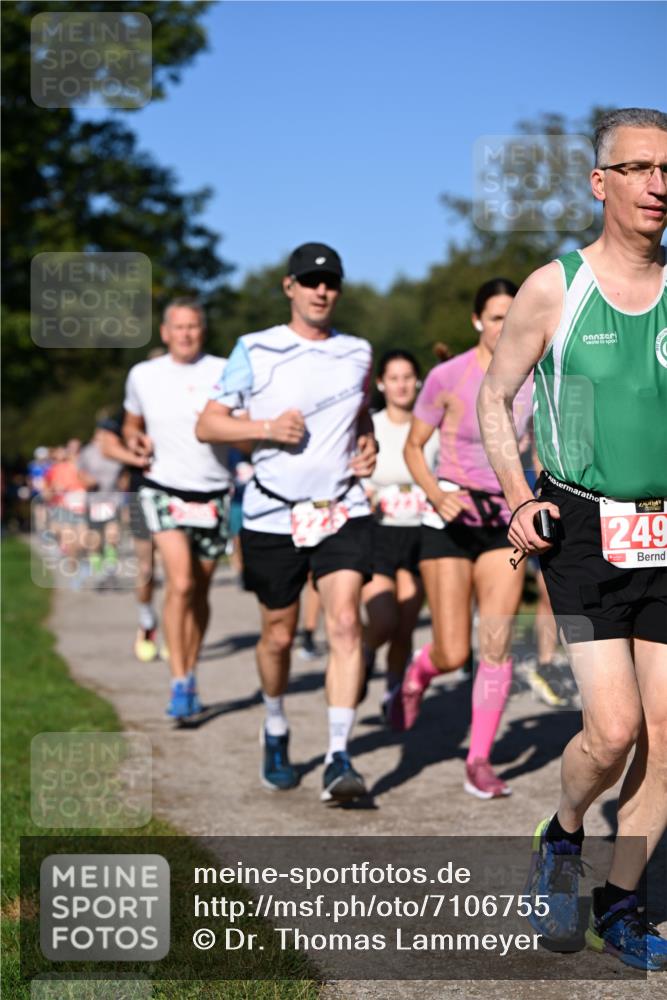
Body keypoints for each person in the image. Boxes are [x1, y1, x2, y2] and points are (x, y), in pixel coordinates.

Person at [477, 108, 667, 970]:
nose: (656, 185)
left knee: (666, 733)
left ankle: (620, 904)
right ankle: (561, 833)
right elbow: (494, 396)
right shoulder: (555, 286)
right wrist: (518, 498)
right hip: (583, 531)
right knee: (613, 730)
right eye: (637, 168)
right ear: (599, 183)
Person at [196, 242, 377, 802]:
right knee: (277, 634)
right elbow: (208, 425)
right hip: (272, 512)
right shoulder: (255, 348)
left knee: (344, 623)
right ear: (289, 287)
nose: (322, 291)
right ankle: (275, 725)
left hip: (342, 507)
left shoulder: (358, 352)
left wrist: (367, 442)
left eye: (331, 282)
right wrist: (266, 428)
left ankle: (338, 757)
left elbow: (359, 414)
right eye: (310, 281)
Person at [397, 278, 533, 802]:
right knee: (453, 651)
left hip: (504, 520)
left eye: (513, 316)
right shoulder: (447, 376)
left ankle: (479, 760)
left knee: (497, 641)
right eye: (496, 317)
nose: (505, 326)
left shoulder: (537, 377)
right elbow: (414, 447)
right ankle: (419, 672)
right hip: (450, 520)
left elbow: (541, 449)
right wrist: (436, 494)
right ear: (477, 321)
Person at [123, 299, 232, 719]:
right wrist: (134, 439)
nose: (186, 334)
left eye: (193, 326)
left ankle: (191, 669)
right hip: (163, 488)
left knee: (200, 591)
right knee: (181, 582)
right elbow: (131, 423)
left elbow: (240, 426)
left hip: (213, 492)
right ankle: (178, 681)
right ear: (165, 332)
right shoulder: (143, 374)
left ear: (202, 330)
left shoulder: (224, 370)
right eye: (178, 327)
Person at [361, 350, 438, 714]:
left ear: (418, 381)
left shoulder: (432, 428)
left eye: (408, 377)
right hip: (377, 534)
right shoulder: (369, 426)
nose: (402, 385)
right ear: (381, 384)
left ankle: (393, 693)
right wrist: (366, 493)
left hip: (419, 535)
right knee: (383, 621)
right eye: (393, 378)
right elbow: (354, 474)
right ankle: (363, 656)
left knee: (405, 626)